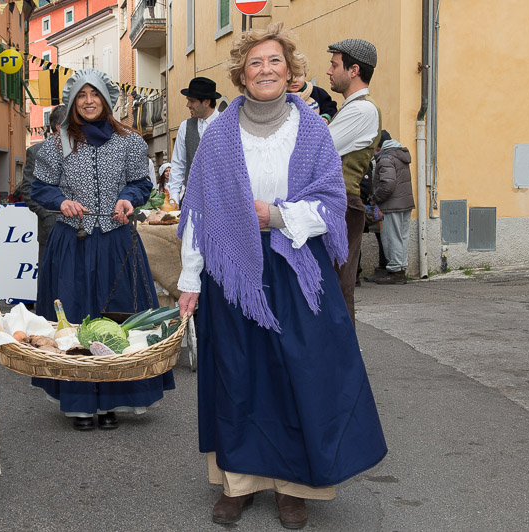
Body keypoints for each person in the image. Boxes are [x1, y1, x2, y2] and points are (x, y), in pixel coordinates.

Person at [176, 23, 387, 529]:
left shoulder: (312, 129)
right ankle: (238, 481)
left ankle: (295, 485)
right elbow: (199, 212)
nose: (266, 70)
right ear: (241, 75)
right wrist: (189, 280)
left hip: (295, 265)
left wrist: (277, 216)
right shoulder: (218, 136)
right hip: (232, 270)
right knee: (236, 374)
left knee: (300, 373)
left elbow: (332, 205)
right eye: (255, 63)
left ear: (290, 71)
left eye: (275, 62)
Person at [29, 68, 175, 431]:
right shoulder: (56, 144)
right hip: (72, 244)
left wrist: (128, 199)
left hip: (116, 242)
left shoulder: (129, 142)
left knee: (117, 321)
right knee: (74, 322)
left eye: (95, 95)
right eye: (82, 95)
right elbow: (40, 189)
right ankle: (78, 404)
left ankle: (113, 399)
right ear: (73, 101)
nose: (89, 101)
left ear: (107, 100)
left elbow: (141, 183)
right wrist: (61, 201)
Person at [326, 38, 382, 325]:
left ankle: (342, 360)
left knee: (337, 287)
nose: (329, 71)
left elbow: (319, 150)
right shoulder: (351, 108)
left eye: (334, 65)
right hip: (338, 204)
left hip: (343, 205)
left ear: (354, 70)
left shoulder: (362, 110)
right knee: (330, 286)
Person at [20, 104, 67, 291]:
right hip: (51, 229)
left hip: (79, 228)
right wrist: (47, 214)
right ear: (59, 127)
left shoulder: (83, 149)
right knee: (50, 282)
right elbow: (28, 190)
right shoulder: (37, 152)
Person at [166, 77, 221, 203]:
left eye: (192, 101)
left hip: (222, 202)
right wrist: (174, 198)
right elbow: (178, 165)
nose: (188, 105)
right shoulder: (185, 127)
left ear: (206, 102)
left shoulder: (228, 124)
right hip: (192, 201)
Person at [371, 130, 415, 285]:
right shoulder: (399, 154)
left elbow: (387, 184)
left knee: (392, 238)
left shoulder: (385, 158)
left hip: (391, 205)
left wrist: (375, 197)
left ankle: (395, 271)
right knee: (402, 237)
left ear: (379, 145)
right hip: (404, 202)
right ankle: (401, 268)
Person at [287, 52, 337, 123]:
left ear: (305, 74)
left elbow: (330, 108)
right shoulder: (278, 96)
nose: (294, 80)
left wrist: (326, 117)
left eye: (299, 75)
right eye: (290, 76)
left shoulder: (317, 93)